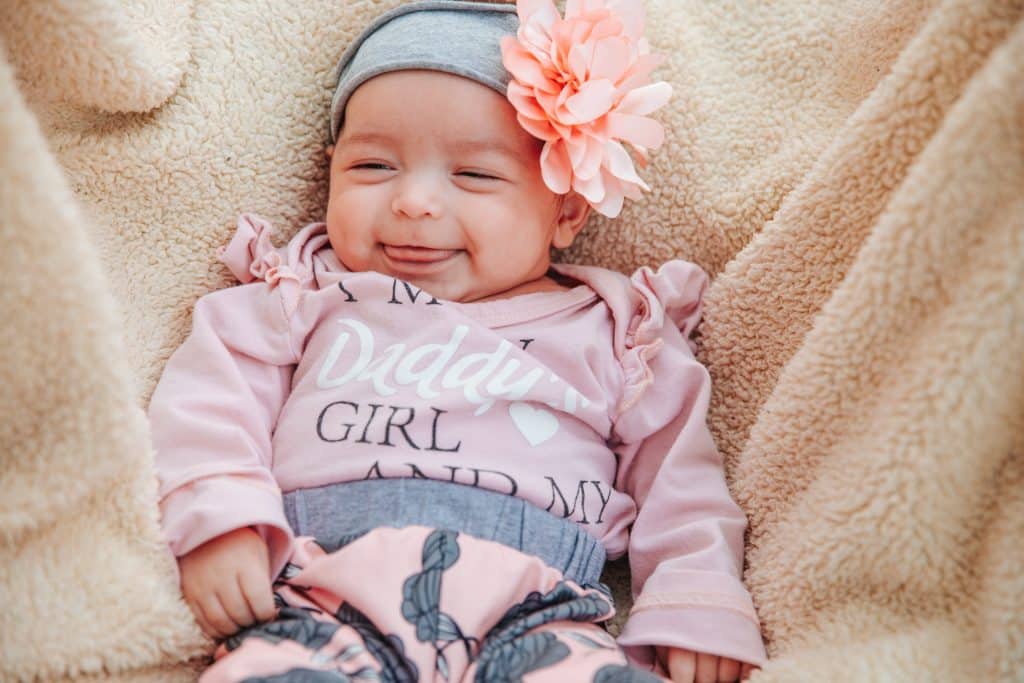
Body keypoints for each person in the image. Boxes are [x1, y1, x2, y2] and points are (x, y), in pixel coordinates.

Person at [148, 1, 767, 681]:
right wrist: (224, 516)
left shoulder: (615, 330)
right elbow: (211, 396)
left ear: (565, 209)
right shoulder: (307, 293)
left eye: (473, 175)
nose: (413, 201)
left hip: (540, 613)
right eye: (372, 167)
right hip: (322, 596)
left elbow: (681, 479)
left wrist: (698, 600)